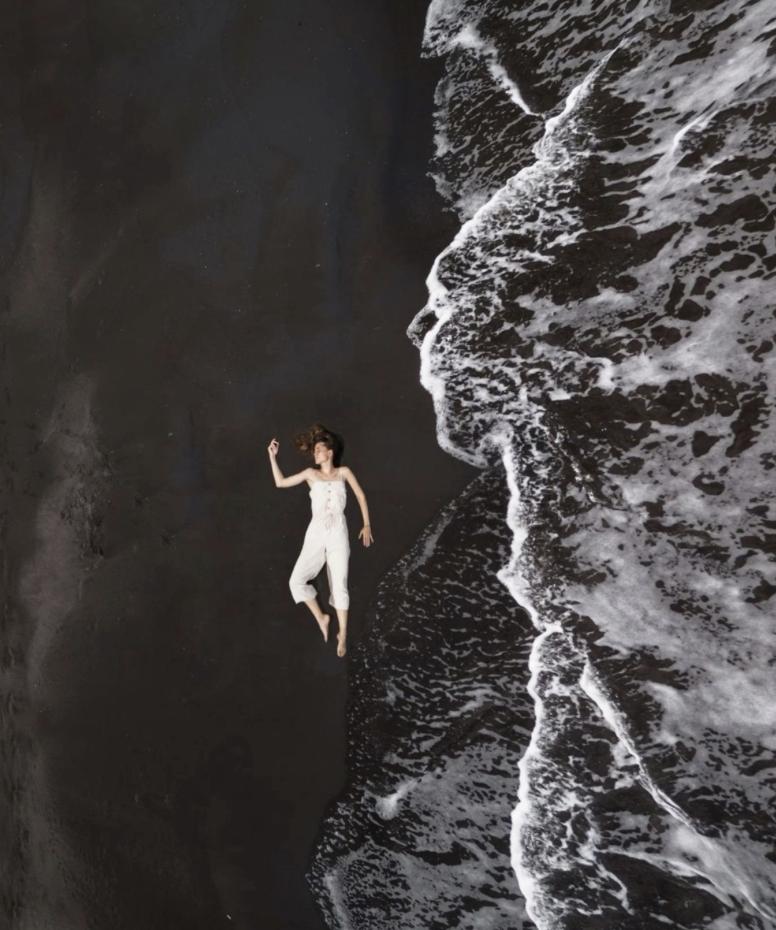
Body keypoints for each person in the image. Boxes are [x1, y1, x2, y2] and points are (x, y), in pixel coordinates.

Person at [268, 423, 373, 657]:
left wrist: (366, 524)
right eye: (314, 450)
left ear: (330, 453)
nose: (315, 453)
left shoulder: (343, 472)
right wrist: (273, 458)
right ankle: (322, 617)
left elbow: (360, 495)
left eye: (318, 450)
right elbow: (280, 483)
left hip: (338, 530)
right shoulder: (310, 474)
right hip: (315, 531)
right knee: (296, 581)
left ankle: (342, 634)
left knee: (340, 583)